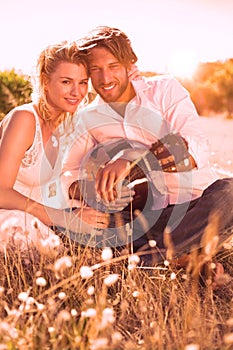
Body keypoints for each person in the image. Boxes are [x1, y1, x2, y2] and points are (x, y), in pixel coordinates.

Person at [63, 26, 233, 265]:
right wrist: (90, 190)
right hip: (140, 214)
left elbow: (197, 148)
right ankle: (182, 255)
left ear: (129, 64)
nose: (105, 78)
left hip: (197, 207)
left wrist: (132, 159)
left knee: (230, 193)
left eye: (113, 66)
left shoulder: (165, 90)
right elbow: (67, 175)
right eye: (95, 70)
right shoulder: (88, 118)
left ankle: (147, 260)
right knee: (73, 221)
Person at [0, 40, 113, 253]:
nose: (76, 92)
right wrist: (65, 219)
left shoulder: (67, 124)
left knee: (102, 224)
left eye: (82, 82)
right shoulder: (24, 119)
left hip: (39, 215)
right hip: (9, 216)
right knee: (21, 230)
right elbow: (1, 192)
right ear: (45, 81)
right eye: (66, 82)